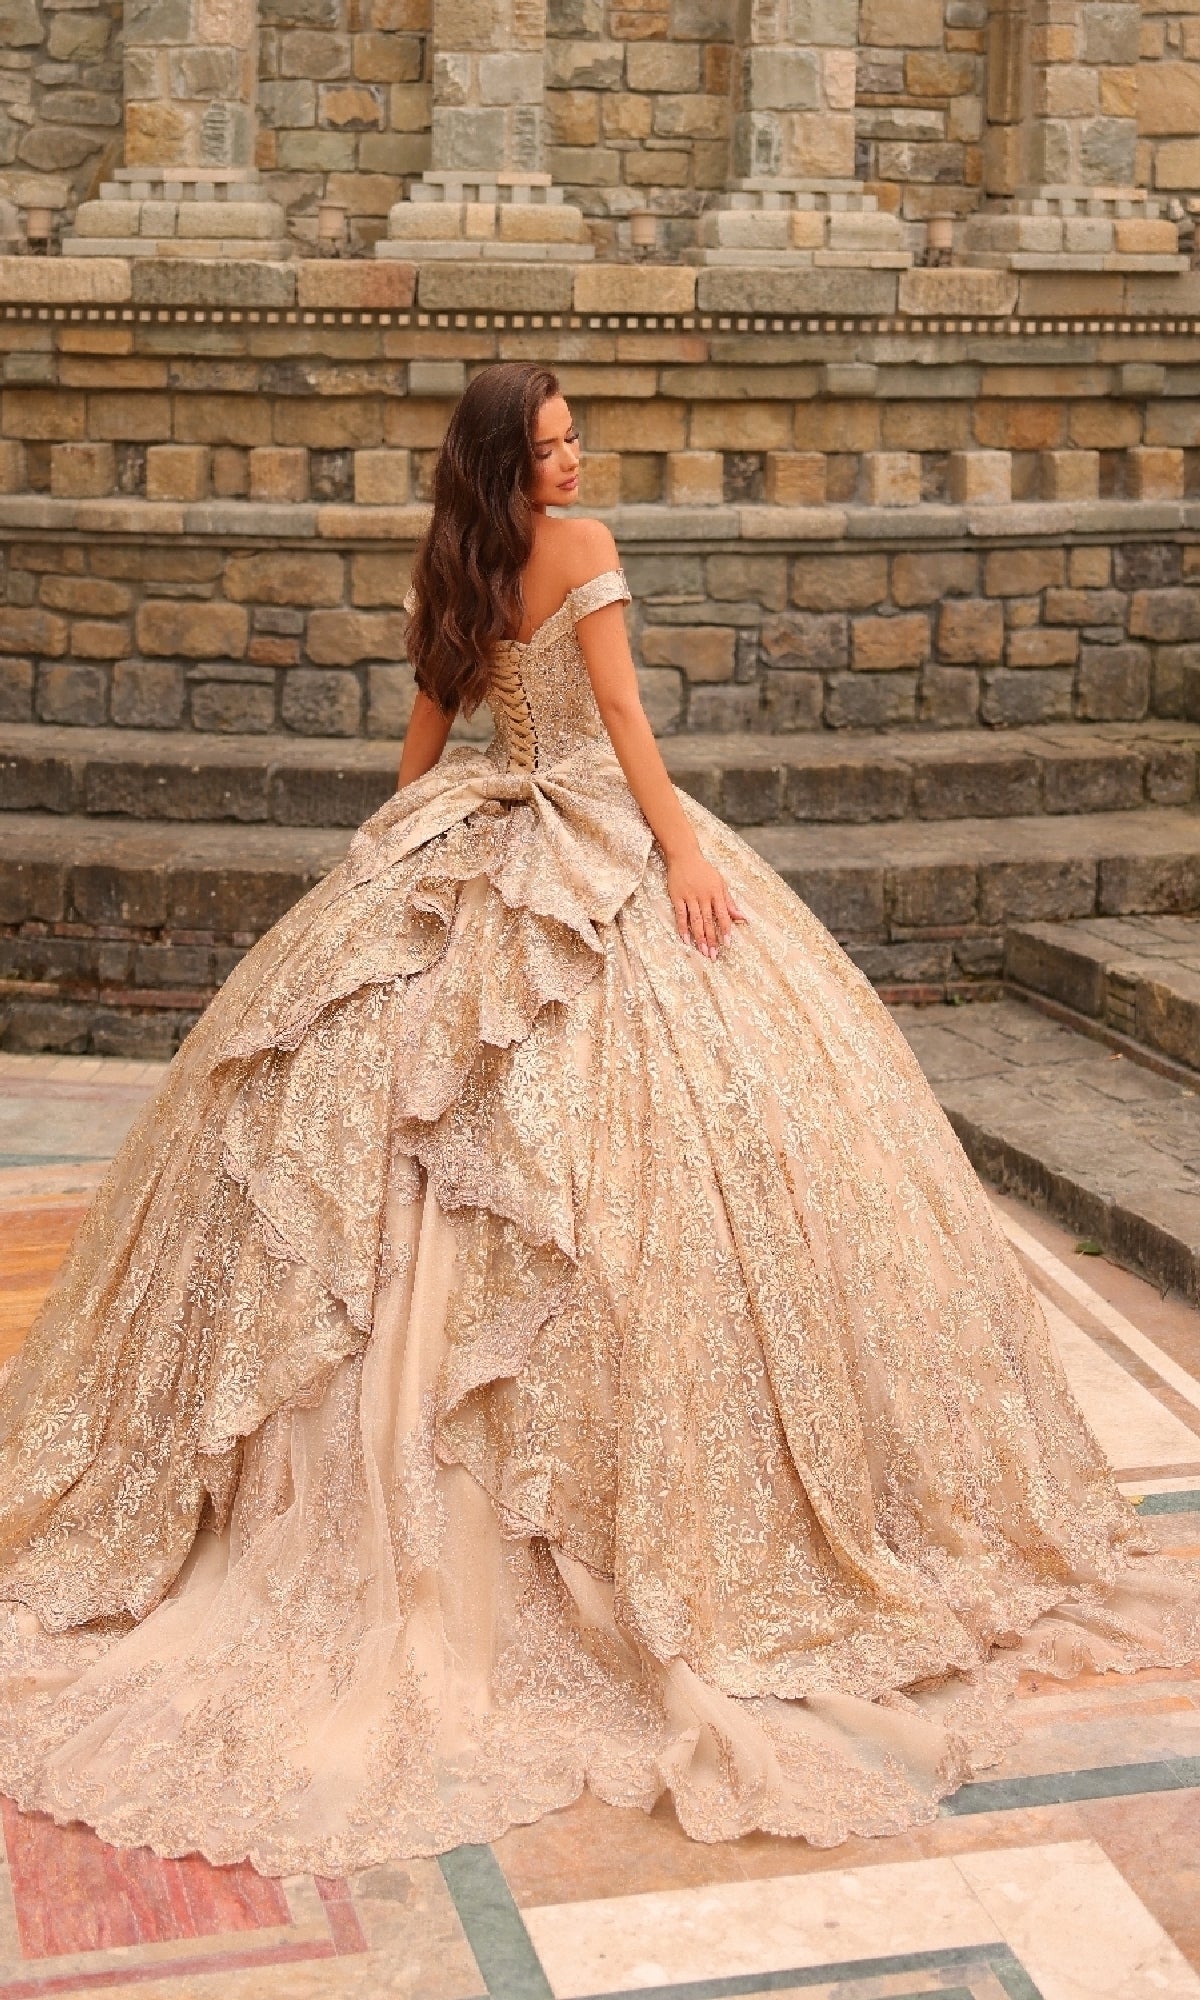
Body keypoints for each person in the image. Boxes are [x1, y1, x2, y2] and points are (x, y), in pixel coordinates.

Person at [0, 361, 1195, 1876]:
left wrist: (388, 861)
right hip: (580, 843)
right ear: (514, 460)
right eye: (554, 448)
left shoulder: (453, 561)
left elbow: (426, 738)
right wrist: (681, 860)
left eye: (579, 446)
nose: (576, 464)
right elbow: (623, 718)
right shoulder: (583, 551)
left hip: (486, 828)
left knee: (395, 1130)